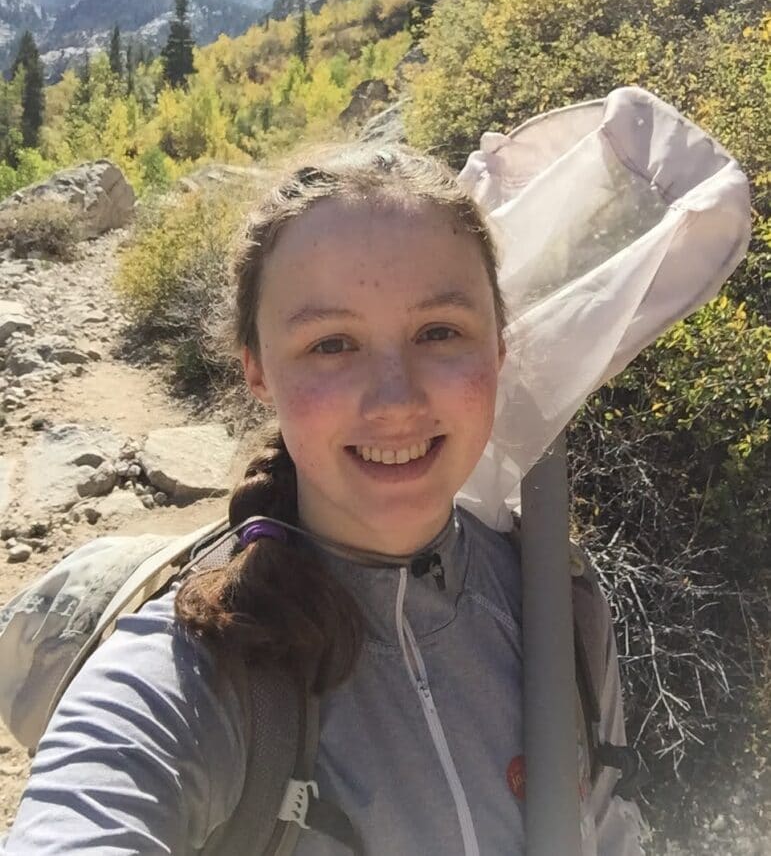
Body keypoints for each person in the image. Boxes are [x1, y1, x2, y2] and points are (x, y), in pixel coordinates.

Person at [2, 147, 643, 855]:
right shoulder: (184, 676)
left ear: (498, 347)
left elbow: (607, 823)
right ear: (257, 370)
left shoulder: (560, 608)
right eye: (332, 344)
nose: (395, 399)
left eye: (439, 332)